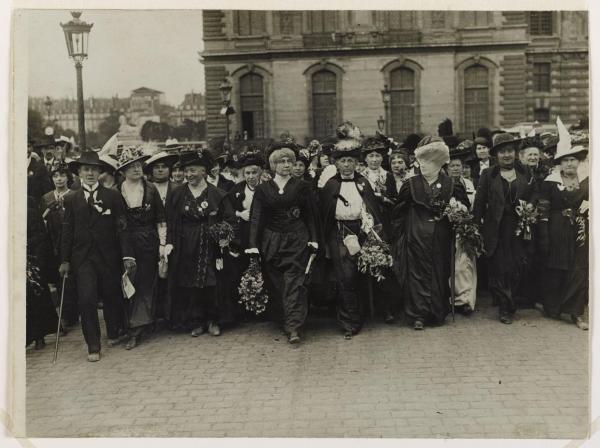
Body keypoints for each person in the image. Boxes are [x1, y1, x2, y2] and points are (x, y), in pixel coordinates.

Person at [60, 151, 136, 361]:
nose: (90, 173)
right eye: (86, 169)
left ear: (100, 172)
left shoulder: (112, 196)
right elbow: (67, 231)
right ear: (78, 173)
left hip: (108, 256)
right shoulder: (71, 199)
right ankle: (93, 345)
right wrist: (65, 260)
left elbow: (122, 228)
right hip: (82, 258)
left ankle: (114, 331)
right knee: (86, 299)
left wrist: (127, 255)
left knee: (112, 295)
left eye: (94, 169)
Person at [391, 136, 469, 330]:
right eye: (421, 162)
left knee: (439, 273)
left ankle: (436, 312)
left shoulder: (452, 184)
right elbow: (398, 212)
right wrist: (397, 237)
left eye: (428, 162)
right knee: (416, 275)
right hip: (415, 236)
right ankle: (418, 315)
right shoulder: (411, 184)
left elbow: (464, 208)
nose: (423, 166)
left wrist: (457, 211)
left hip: (441, 238)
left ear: (438, 163)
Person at [319, 123, 388, 338]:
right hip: (338, 234)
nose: (347, 165)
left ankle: (359, 314)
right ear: (336, 163)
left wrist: (370, 231)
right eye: (343, 161)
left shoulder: (363, 183)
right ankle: (348, 321)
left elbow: (371, 208)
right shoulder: (330, 185)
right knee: (344, 277)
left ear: (357, 163)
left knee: (359, 276)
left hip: (361, 232)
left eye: (350, 161)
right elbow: (323, 214)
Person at [246, 143, 319, 344]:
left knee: (295, 282)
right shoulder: (263, 189)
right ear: (273, 165)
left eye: (290, 161)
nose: (287, 165)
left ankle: (294, 326)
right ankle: (285, 318)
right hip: (272, 241)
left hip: (297, 239)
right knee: (277, 283)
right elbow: (256, 217)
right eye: (281, 161)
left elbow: (311, 215)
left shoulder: (302, 187)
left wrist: (314, 239)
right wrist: (253, 244)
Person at [165, 150, 235, 336]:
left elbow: (229, 219)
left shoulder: (218, 194)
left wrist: (220, 232)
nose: (189, 175)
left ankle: (213, 320)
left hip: (210, 245)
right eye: (186, 171)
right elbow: (170, 221)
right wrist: (169, 243)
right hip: (185, 243)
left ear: (204, 172)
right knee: (189, 283)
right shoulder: (176, 194)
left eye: (193, 170)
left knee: (212, 282)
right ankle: (196, 320)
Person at [473, 133, 534, 324]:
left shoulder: (525, 172)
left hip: (518, 227)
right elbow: (479, 203)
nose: (506, 155)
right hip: (496, 228)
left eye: (510, 151)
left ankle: (507, 298)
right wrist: (475, 226)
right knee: (499, 268)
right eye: (502, 152)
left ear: (515, 153)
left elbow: (534, 194)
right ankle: (506, 308)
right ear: (496, 155)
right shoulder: (488, 174)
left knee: (516, 267)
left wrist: (530, 206)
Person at [116, 147, 166, 349]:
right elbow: (117, 223)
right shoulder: (117, 192)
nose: (136, 169)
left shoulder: (151, 188)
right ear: (123, 171)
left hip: (149, 241)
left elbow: (161, 219)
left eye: (138, 165)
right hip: (126, 242)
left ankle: (139, 327)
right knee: (129, 281)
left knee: (147, 282)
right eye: (131, 166)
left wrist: (162, 243)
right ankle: (132, 324)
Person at [538, 132, 589, 330]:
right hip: (557, 227)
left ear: (578, 162)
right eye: (566, 160)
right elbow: (543, 209)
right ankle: (554, 307)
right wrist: (544, 233)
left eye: (573, 160)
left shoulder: (586, 180)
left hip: (580, 228)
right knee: (556, 267)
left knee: (579, 269)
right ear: (560, 163)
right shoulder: (550, 182)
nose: (570, 164)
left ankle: (577, 313)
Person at [40, 163, 79, 328]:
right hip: (55, 243)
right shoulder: (47, 198)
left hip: (74, 242)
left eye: (62, 175)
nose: (59, 179)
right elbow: (42, 221)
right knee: (60, 279)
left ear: (68, 177)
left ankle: (76, 312)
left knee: (75, 278)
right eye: (55, 176)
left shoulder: (76, 195)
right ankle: (66, 315)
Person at [447, 144, 477, 315]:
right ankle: (451, 297)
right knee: (451, 264)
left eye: (458, 165)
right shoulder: (442, 184)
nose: (456, 169)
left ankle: (465, 299)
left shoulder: (469, 183)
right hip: (448, 227)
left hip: (465, 226)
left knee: (464, 264)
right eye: (452, 166)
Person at [27, 196, 59, 349]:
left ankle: (39, 335)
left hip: (29, 260)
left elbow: (40, 236)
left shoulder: (29, 209)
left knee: (35, 297)